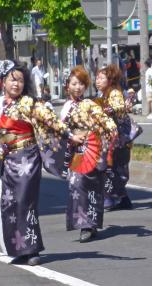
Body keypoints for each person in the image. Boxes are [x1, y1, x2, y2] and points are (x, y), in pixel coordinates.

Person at [0, 60, 83, 265]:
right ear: (3, 82)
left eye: (21, 80)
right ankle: (14, 247)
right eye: (13, 80)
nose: (16, 84)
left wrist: (69, 135)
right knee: (2, 204)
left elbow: (50, 119)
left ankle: (31, 250)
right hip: (8, 161)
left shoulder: (29, 103)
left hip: (27, 159)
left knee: (24, 202)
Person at [61, 66, 117, 242]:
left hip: (91, 149)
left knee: (91, 185)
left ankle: (90, 225)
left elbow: (105, 121)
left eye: (81, 84)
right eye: (74, 83)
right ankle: (82, 223)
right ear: (68, 86)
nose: (78, 87)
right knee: (77, 185)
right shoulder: (66, 107)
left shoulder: (90, 104)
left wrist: (110, 130)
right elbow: (59, 130)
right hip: (75, 150)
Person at [95, 64, 140, 210]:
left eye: (101, 78)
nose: (98, 80)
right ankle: (122, 199)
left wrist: (109, 109)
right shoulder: (102, 95)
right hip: (110, 137)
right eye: (97, 77)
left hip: (119, 137)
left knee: (116, 168)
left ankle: (115, 199)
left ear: (110, 80)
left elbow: (119, 106)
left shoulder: (114, 93)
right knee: (111, 168)